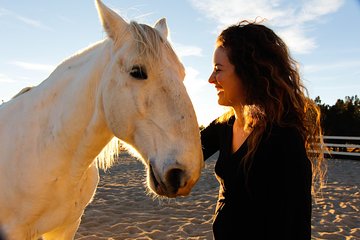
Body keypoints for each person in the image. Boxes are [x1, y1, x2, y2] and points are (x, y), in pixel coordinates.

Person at [201, 20, 326, 239]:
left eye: (218, 70)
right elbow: (184, 153)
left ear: (247, 73)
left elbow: (295, 224)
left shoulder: (282, 137)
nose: (211, 79)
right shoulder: (224, 125)